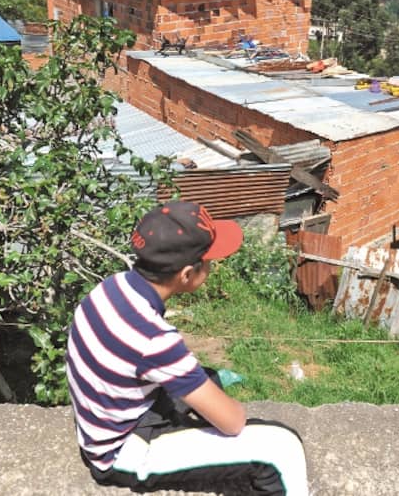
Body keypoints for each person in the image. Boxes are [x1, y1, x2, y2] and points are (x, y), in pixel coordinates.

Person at [66, 201, 309, 495]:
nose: (212, 265)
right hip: (121, 451)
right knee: (281, 447)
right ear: (186, 275)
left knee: (209, 379)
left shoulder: (110, 287)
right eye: (207, 261)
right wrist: (234, 412)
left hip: (110, 417)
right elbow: (233, 423)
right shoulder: (154, 338)